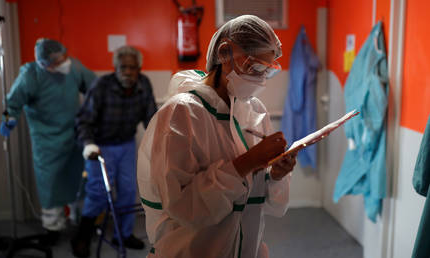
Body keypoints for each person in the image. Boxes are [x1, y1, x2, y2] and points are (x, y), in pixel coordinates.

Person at [137, 15, 297, 258]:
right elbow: (185, 208)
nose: (260, 79)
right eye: (255, 68)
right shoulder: (181, 114)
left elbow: (268, 205)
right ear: (224, 54)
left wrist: (275, 174)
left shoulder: (254, 111)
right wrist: (249, 161)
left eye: (267, 71)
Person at [0, 38, 96, 244]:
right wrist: (10, 118)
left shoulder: (74, 68)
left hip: (75, 137)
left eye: (64, 58)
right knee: (50, 185)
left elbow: (95, 88)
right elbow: (13, 102)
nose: (64, 63)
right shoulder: (31, 74)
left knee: (77, 181)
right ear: (45, 63)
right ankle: (53, 228)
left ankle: (79, 223)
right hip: (47, 142)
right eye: (57, 61)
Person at [72, 46, 157, 257]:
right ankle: (82, 237)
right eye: (123, 67)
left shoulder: (144, 84)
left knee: (128, 191)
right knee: (99, 192)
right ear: (115, 67)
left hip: (127, 144)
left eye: (132, 67)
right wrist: (89, 144)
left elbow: (152, 119)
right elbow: (84, 120)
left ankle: (123, 235)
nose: (127, 71)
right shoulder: (102, 86)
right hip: (100, 145)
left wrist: (161, 140)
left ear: (139, 68)